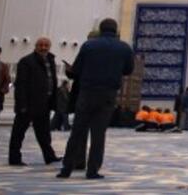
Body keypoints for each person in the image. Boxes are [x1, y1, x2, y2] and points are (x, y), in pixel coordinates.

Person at [57, 18, 135, 180]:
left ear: (100, 29)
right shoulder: (124, 48)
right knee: (98, 135)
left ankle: (67, 169)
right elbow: (128, 70)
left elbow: (77, 69)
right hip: (108, 95)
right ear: (116, 30)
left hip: (87, 93)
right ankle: (92, 171)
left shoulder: (89, 45)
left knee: (77, 132)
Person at [9, 37, 61, 166]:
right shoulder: (26, 61)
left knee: (44, 132)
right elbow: (21, 85)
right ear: (36, 46)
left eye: (46, 45)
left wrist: (53, 102)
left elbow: (52, 83)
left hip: (45, 103)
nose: (43, 48)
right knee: (19, 132)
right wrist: (21, 104)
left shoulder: (50, 60)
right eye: (41, 45)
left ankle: (49, 156)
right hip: (29, 104)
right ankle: (14, 157)